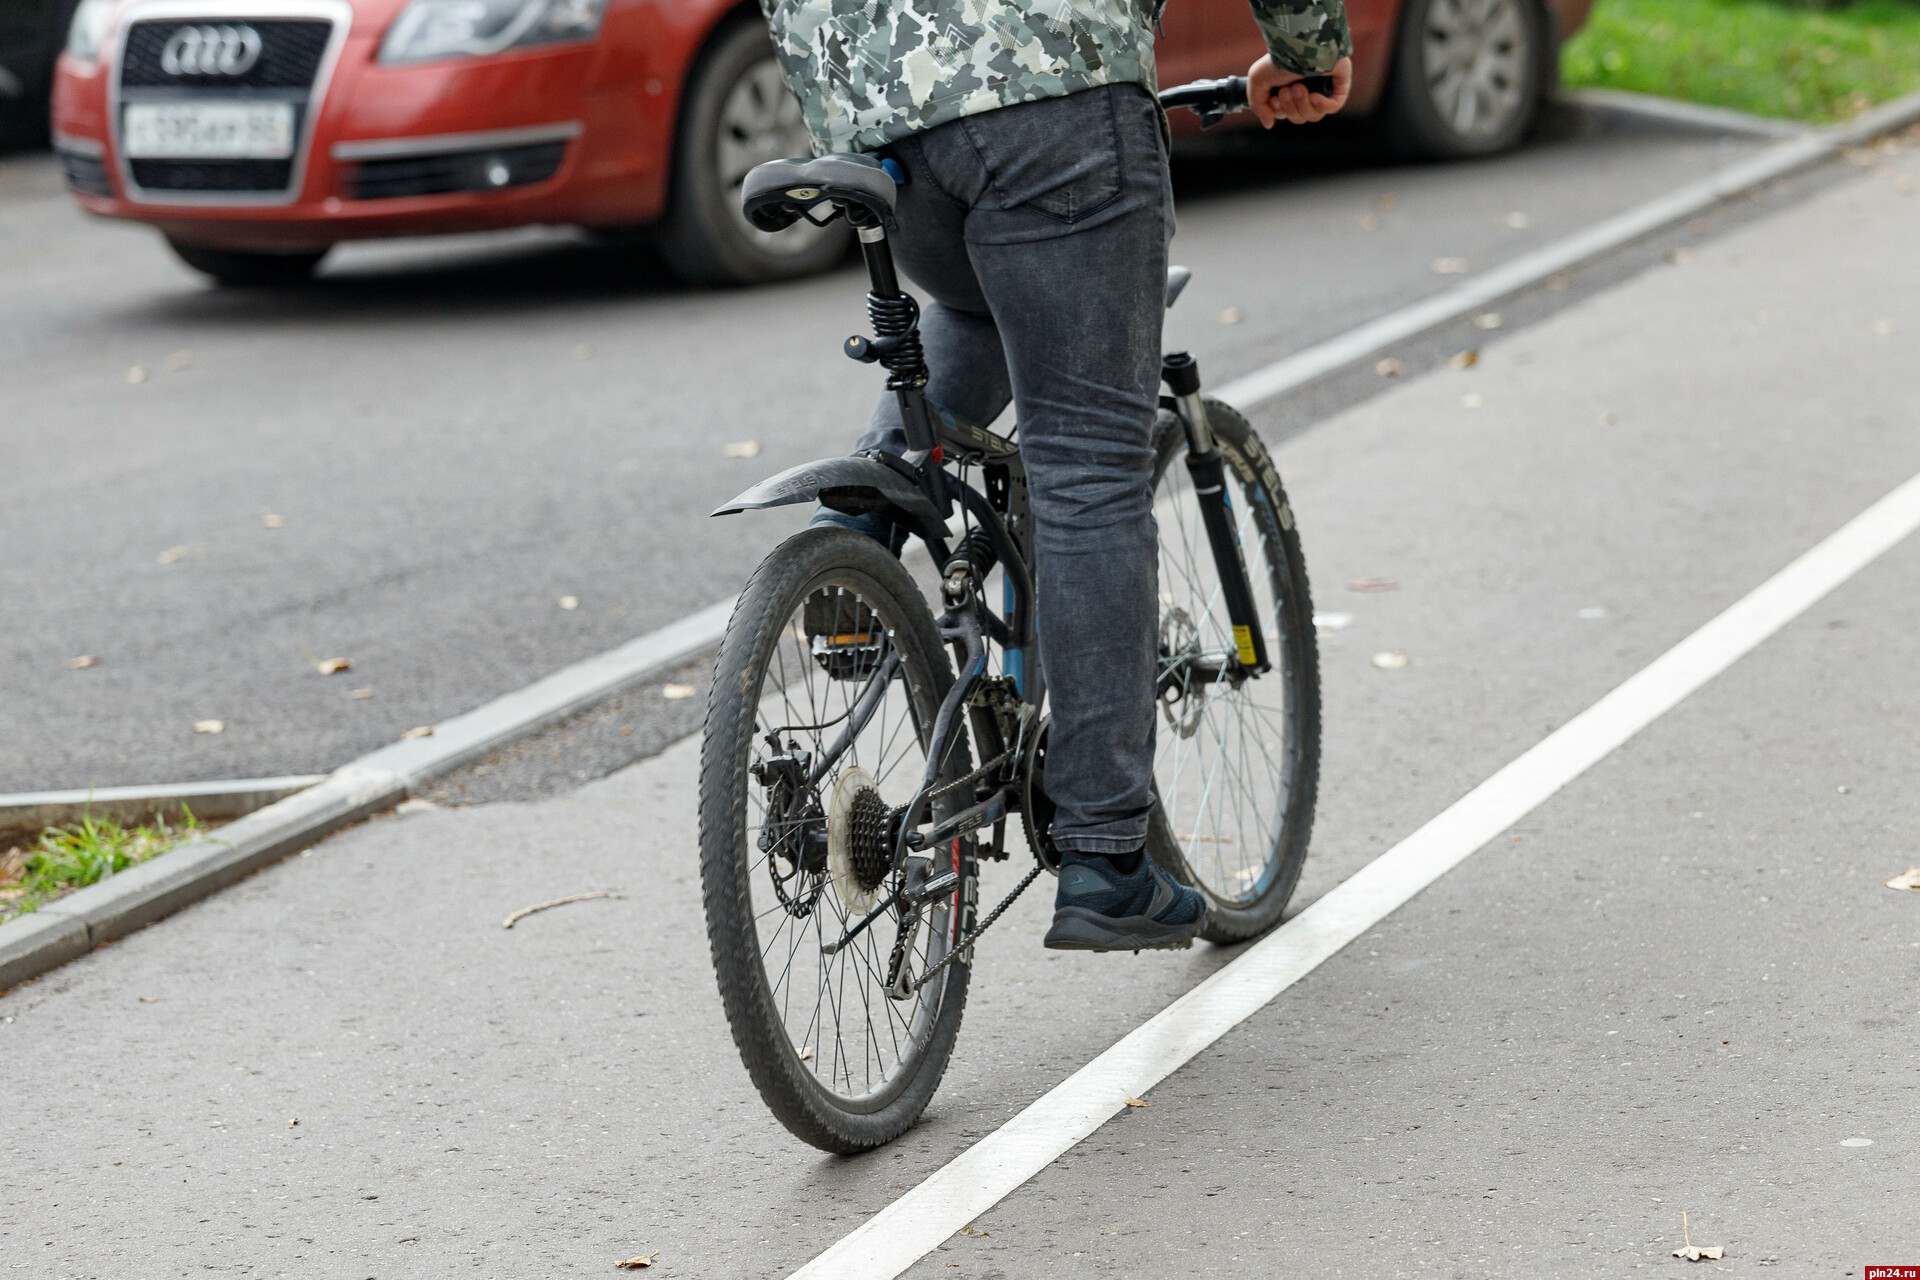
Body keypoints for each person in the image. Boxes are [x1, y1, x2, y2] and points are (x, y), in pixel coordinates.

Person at [769, 0, 1352, 950]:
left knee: (983, 296)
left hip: (886, 121)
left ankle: (859, 526)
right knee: (1088, 469)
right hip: (1056, 95)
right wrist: (1309, 52)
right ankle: (1105, 854)